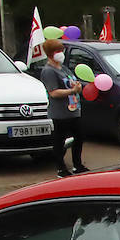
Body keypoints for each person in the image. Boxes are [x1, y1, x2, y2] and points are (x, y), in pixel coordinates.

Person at [39, 39, 88, 176]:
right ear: (50, 54)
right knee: (60, 140)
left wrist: (77, 87)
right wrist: (72, 91)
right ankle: (61, 168)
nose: (61, 54)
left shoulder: (63, 68)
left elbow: (71, 82)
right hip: (60, 112)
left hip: (73, 110)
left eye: (61, 51)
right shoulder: (48, 71)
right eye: (57, 51)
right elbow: (53, 92)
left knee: (79, 137)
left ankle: (77, 165)